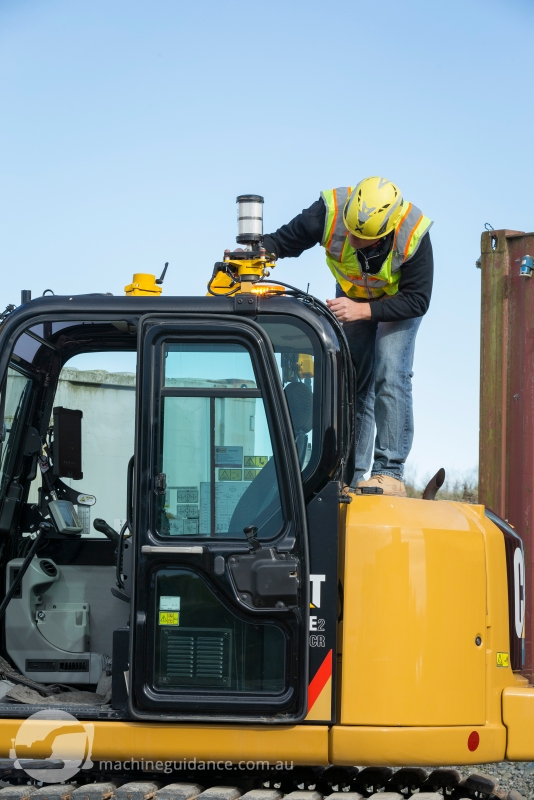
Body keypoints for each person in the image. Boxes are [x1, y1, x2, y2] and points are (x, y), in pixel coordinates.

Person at [262, 177, 433, 497]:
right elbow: (285, 239)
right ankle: (350, 477)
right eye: (351, 231)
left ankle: (389, 472)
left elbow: (417, 300)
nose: (352, 240)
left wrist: (363, 311)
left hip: (397, 304)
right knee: (350, 379)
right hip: (354, 295)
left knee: (390, 369)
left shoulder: (412, 235)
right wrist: (260, 252)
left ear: (386, 232)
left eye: (362, 238)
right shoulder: (327, 213)